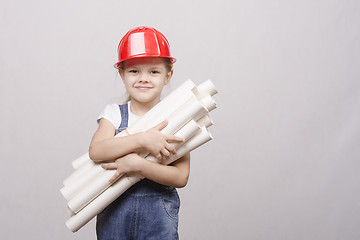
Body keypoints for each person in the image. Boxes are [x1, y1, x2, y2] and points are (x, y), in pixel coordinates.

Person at [89, 26, 190, 240]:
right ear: (122, 73)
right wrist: (143, 139)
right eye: (134, 71)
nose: (143, 78)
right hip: (115, 212)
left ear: (168, 75)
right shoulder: (114, 114)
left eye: (154, 71)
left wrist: (139, 166)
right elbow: (96, 151)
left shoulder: (178, 118)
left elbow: (181, 177)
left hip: (158, 216)